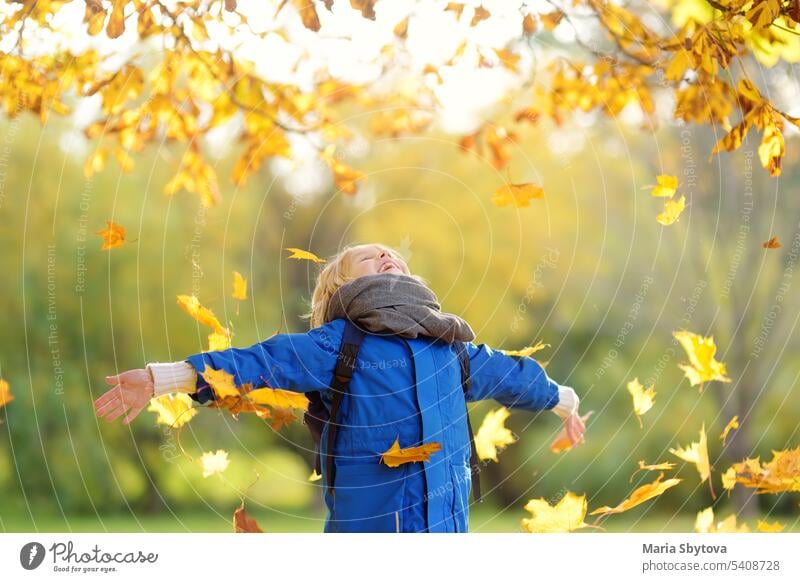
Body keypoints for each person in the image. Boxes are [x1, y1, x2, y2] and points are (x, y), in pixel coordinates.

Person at [94, 243, 586, 532]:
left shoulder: (451, 348)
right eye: (368, 259)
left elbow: (513, 375)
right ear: (341, 289)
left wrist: (567, 401)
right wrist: (161, 378)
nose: (384, 254)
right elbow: (253, 363)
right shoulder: (338, 345)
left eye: (390, 253)